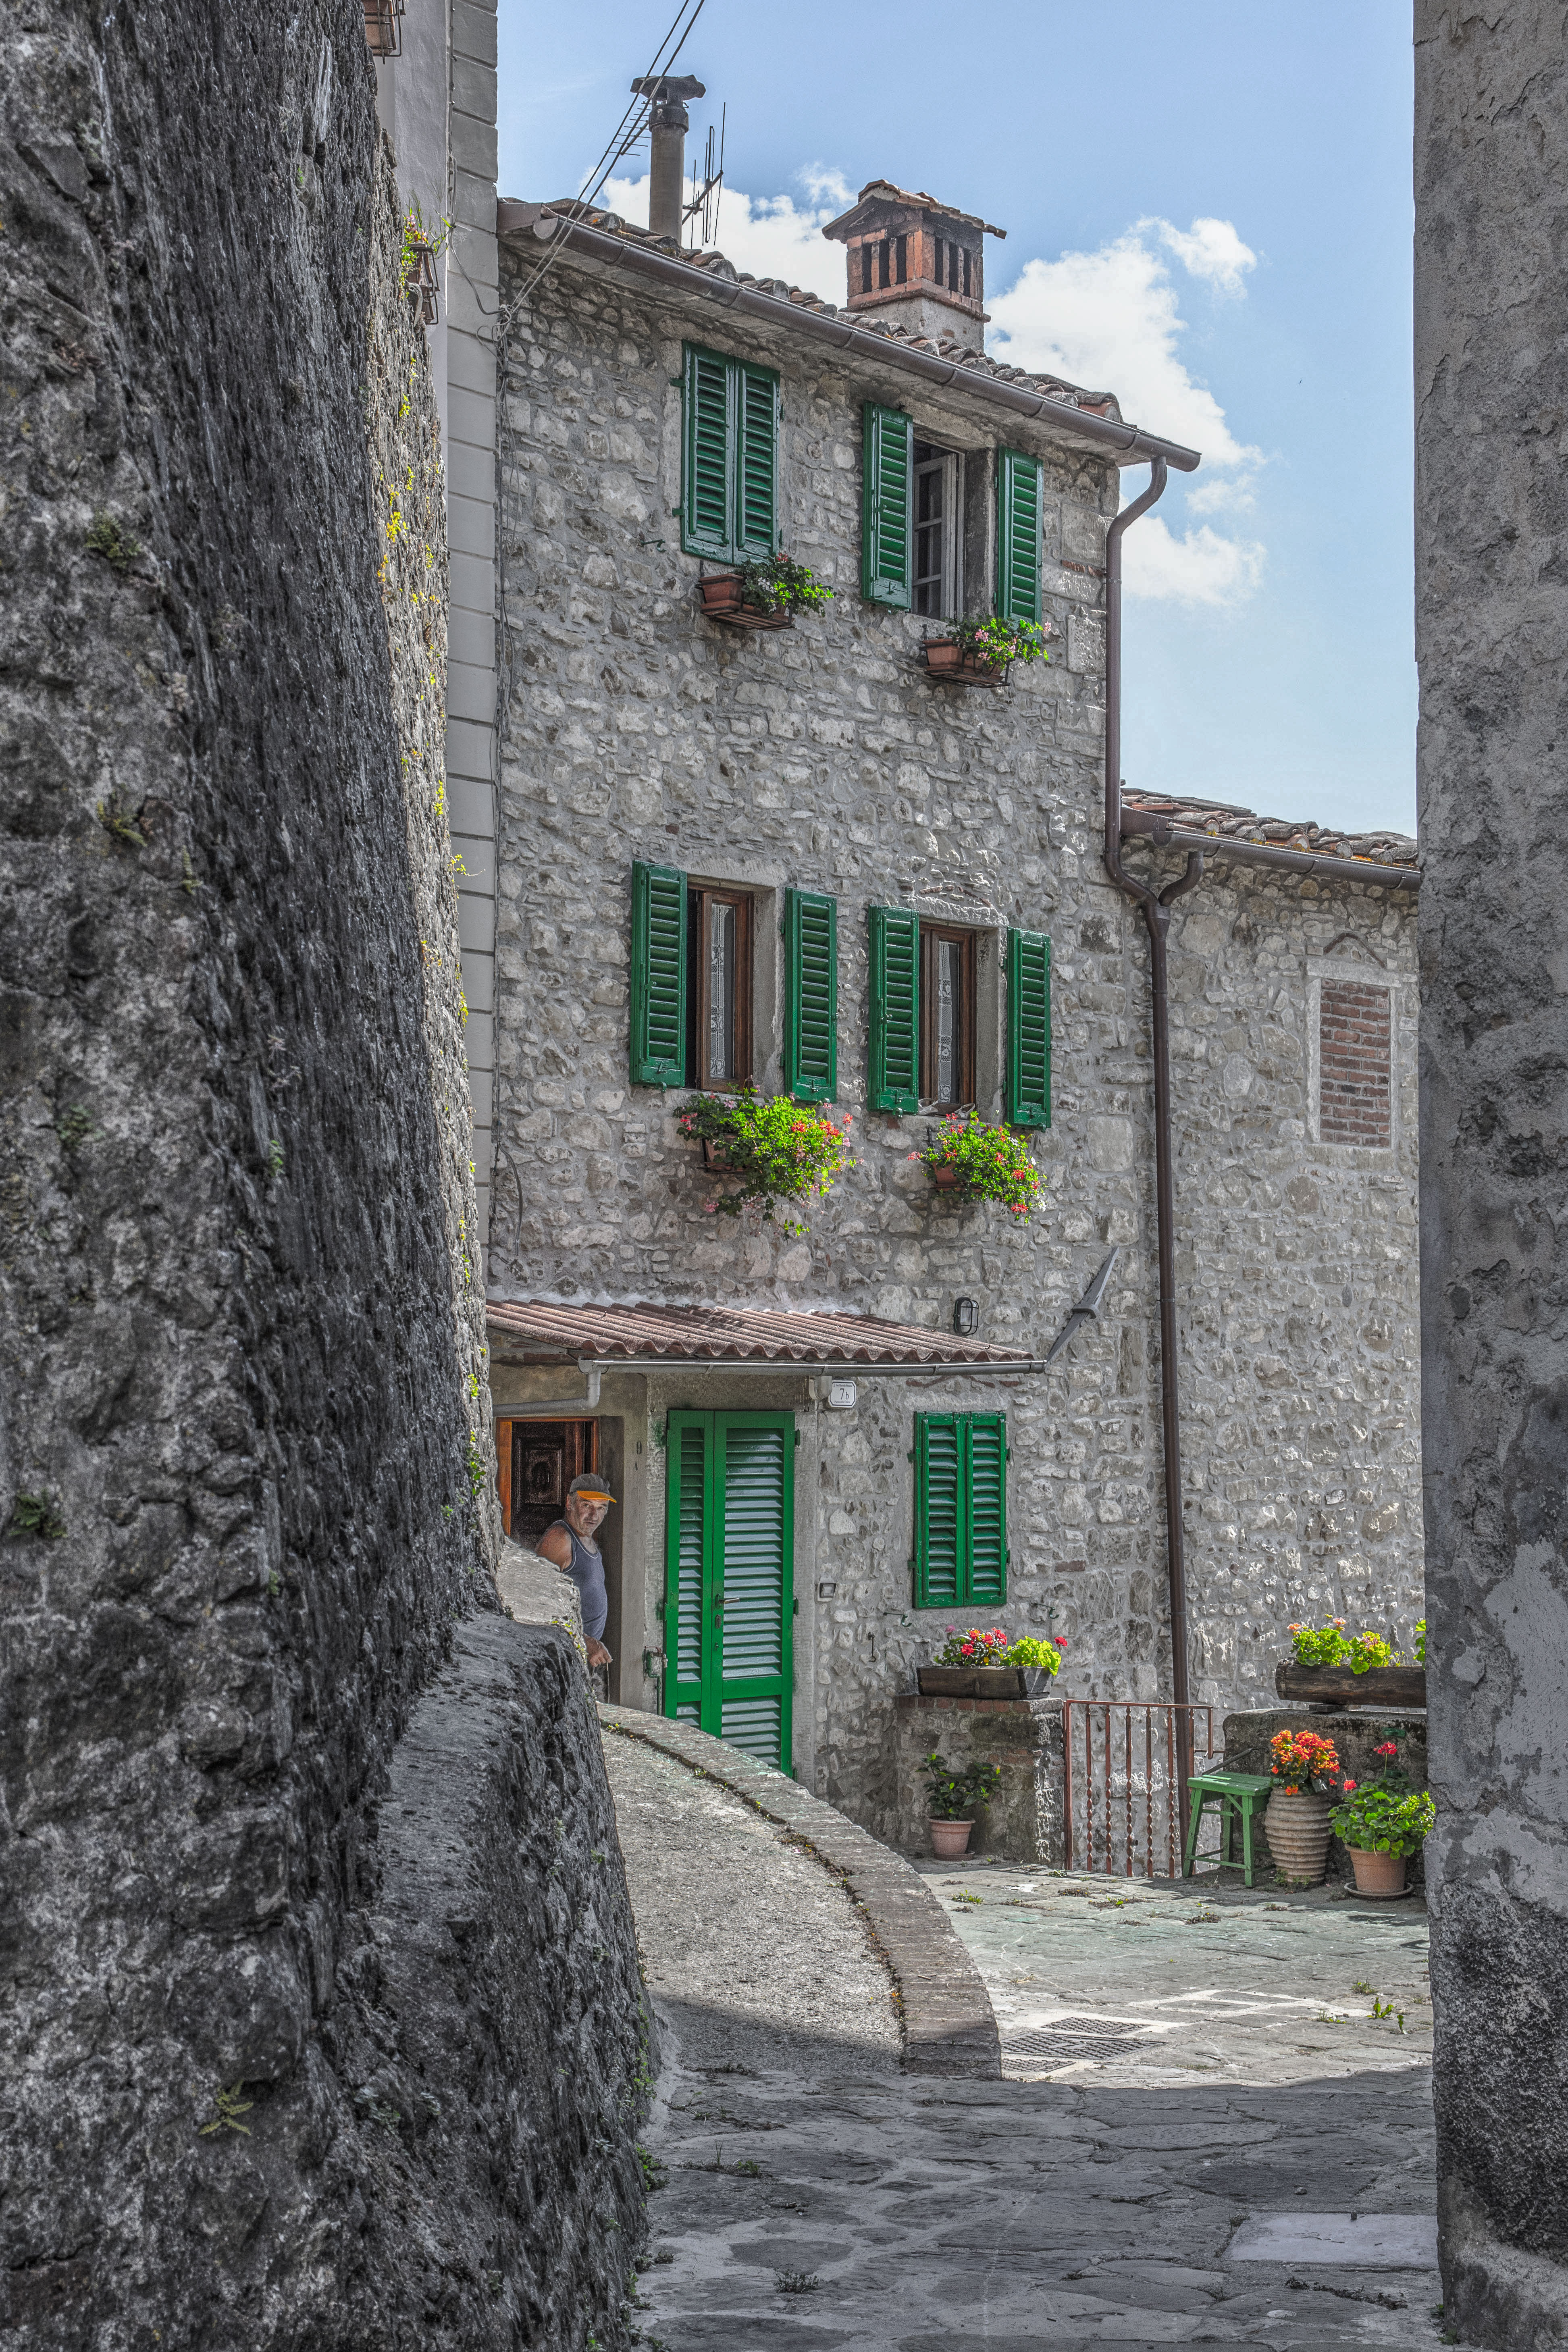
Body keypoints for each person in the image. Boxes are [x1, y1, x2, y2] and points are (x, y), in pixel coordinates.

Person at [537, 1473, 615, 1672]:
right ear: (570, 1503)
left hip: (579, 1658)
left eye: (601, 1508)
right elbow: (539, 1604)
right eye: (587, 1505)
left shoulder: (587, 1539)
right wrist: (584, 1640)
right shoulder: (561, 1538)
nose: (594, 1516)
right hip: (563, 1657)